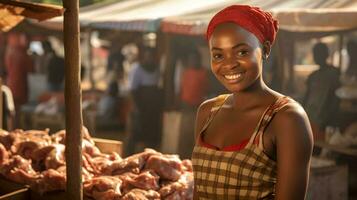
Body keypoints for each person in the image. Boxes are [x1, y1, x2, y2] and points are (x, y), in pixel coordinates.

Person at [191, 5, 313, 199]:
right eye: (218, 55)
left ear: (264, 49)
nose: (229, 64)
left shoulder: (286, 119)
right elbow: (199, 193)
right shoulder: (208, 112)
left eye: (241, 52)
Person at [126, 47, 163, 155]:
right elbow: (132, 90)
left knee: (151, 132)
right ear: (144, 57)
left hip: (152, 107)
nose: (149, 59)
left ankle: (149, 155)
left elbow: (157, 87)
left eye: (151, 57)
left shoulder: (157, 69)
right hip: (140, 106)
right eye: (147, 56)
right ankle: (130, 154)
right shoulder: (137, 68)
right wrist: (135, 107)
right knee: (136, 131)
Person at [177, 48, 208, 158]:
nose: (193, 61)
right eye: (191, 59)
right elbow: (181, 88)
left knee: (195, 135)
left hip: (198, 108)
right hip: (186, 107)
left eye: (195, 59)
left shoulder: (204, 73)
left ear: (199, 60)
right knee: (184, 134)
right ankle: (182, 157)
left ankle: (194, 158)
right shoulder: (186, 72)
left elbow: (207, 90)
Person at [303, 42, 340, 131]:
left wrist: (328, 117)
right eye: (315, 53)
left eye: (319, 53)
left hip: (325, 118)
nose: (317, 56)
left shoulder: (334, 73)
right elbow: (307, 97)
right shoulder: (312, 76)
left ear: (326, 54)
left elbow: (336, 98)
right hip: (310, 116)